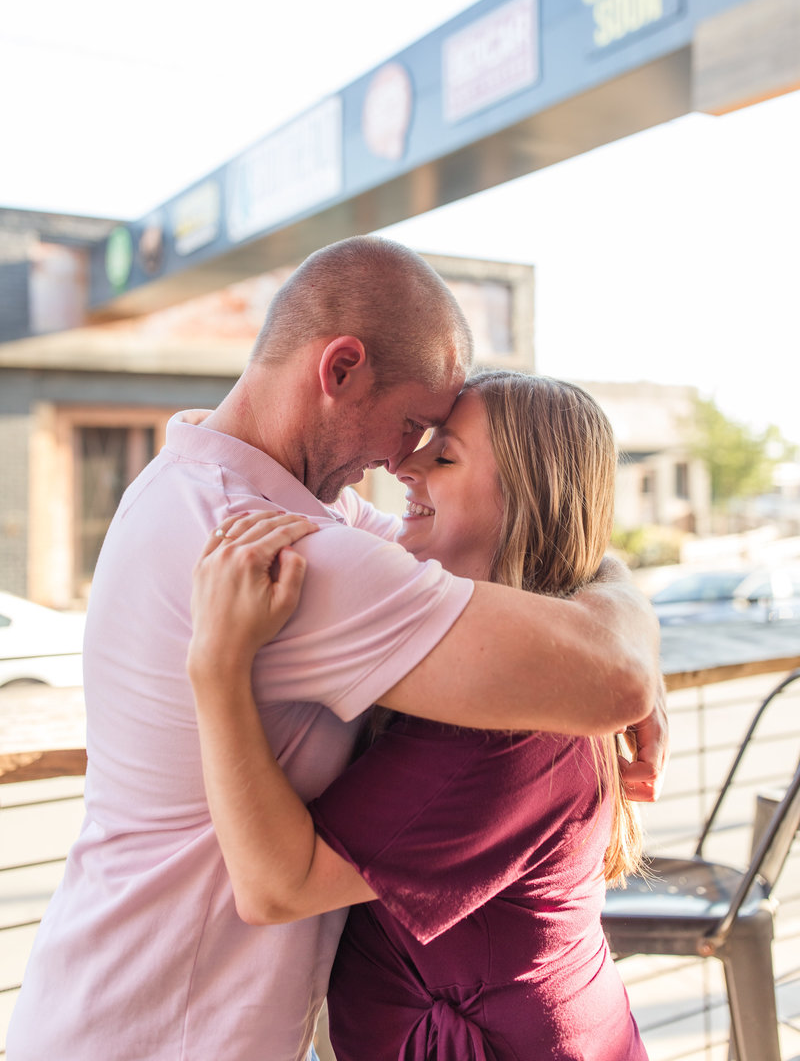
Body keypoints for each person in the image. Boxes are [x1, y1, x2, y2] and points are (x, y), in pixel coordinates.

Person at [8, 238, 663, 1061]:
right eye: (413, 425)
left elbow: (525, 565)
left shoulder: (212, 491)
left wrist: (596, 574)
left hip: (111, 998)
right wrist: (623, 632)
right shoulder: (281, 551)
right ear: (340, 368)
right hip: (164, 1031)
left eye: (435, 444)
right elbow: (614, 675)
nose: (401, 464)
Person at [188, 371, 650, 1060]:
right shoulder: (514, 673)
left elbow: (276, 888)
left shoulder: (510, 727)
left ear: (524, 498)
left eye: (444, 456)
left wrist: (218, 668)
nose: (403, 467)